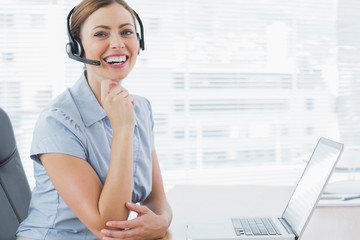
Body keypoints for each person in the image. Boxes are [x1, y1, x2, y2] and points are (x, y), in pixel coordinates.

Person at [16, 0, 172, 239]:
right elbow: (108, 226)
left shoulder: (140, 107)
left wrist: (160, 222)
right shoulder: (57, 122)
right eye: (101, 34)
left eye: (126, 31)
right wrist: (123, 128)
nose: (118, 43)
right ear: (78, 47)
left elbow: (157, 200)